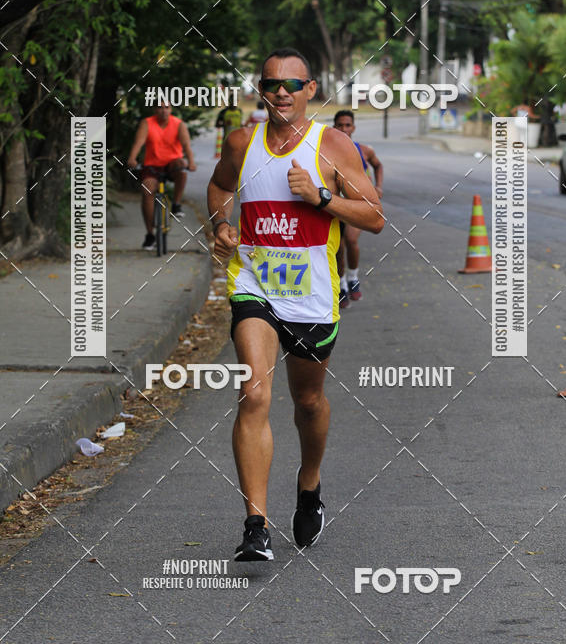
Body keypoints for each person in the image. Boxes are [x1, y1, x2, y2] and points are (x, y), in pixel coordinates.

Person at [207, 47, 383, 561]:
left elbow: (373, 217)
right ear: (261, 90)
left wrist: (322, 199)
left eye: (292, 84)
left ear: (310, 90)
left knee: (307, 402)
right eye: (271, 84)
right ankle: (255, 525)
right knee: (254, 393)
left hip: (311, 298)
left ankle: (310, 485)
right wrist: (220, 224)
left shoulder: (334, 147)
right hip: (254, 284)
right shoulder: (242, 142)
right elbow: (219, 186)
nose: (280, 92)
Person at [127, 102, 196, 250]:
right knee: (147, 191)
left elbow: (186, 145)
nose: (163, 110)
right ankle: (150, 234)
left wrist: (191, 162)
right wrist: (132, 158)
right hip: (152, 165)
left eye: (167, 107)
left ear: (171, 110)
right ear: (155, 109)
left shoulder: (178, 124)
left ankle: (176, 204)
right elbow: (139, 142)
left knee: (181, 168)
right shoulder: (147, 123)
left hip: (172, 164)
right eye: (160, 107)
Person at [333, 110, 384, 307]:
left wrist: (378, 187)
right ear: (334, 126)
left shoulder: (363, 151)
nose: (344, 129)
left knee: (351, 240)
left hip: (358, 205)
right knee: (338, 248)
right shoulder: (327, 150)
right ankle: (342, 284)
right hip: (337, 205)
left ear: (353, 127)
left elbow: (378, 166)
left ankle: (353, 278)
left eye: (347, 125)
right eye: (340, 125)